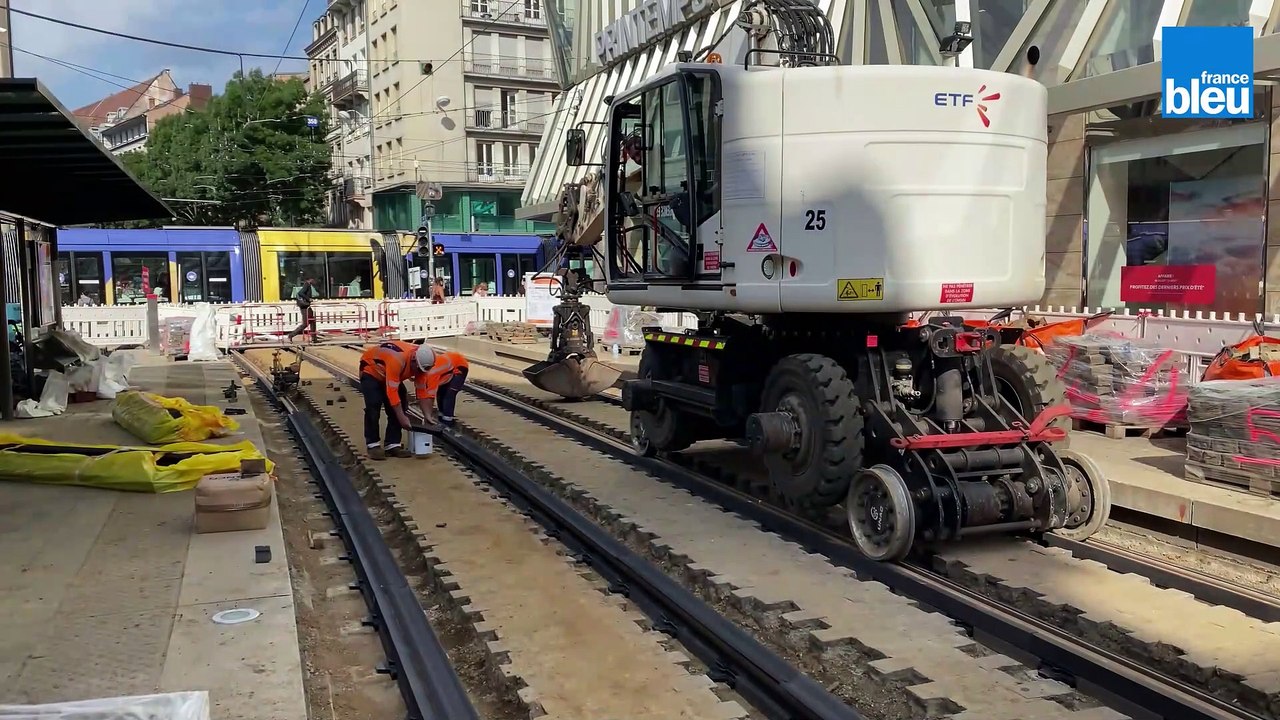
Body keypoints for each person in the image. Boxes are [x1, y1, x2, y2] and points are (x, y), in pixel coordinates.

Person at [358, 341, 437, 460]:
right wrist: (402, 418)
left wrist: (427, 415)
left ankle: (392, 444)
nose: (419, 373)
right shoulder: (397, 360)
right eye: (418, 369)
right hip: (371, 371)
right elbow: (392, 392)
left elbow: (421, 392)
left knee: (401, 402)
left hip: (389, 374)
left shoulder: (421, 366)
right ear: (414, 360)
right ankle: (373, 445)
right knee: (373, 406)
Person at [419, 346, 470, 426]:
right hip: (449, 365)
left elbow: (430, 397)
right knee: (440, 392)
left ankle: (448, 421)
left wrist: (427, 415)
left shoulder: (432, 373)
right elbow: (422, 393)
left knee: (449, 394)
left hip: (460, 365)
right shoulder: (425, 370)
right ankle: (441, 416)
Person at [288, 277, 318, 342]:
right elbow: (300, 293)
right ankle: (291, 335)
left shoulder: (308, 285)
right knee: (306, 323)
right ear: (310, 279)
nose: (314, 281)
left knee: (312, 321)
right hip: (305, 307)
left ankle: (314, 338)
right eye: (313, 279)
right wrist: (308, 299)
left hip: (306, 306)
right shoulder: (307, 285)